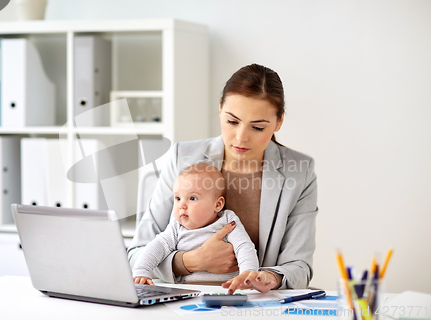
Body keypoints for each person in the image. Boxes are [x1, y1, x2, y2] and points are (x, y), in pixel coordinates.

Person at [128, 64, 318, 294]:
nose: (241, 137)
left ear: (279, 122)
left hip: (254, 303)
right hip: (184, 302)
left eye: (257, 127)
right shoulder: (183, 158)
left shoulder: (299, 172)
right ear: (220, 109)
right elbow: (137, 252)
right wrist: (193, 261)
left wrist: (269, 277)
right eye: (232, 121)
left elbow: (299, 267)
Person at [133, 163, 259, 285]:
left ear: (218, 205)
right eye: (178, 198)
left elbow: (243, 246)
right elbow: (157, 247)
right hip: (186, 290)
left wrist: (248, 274)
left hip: (225, 288)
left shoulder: (227, 221)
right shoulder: (176, 227)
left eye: (192, 198)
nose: (181, 205)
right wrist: (141, 271)